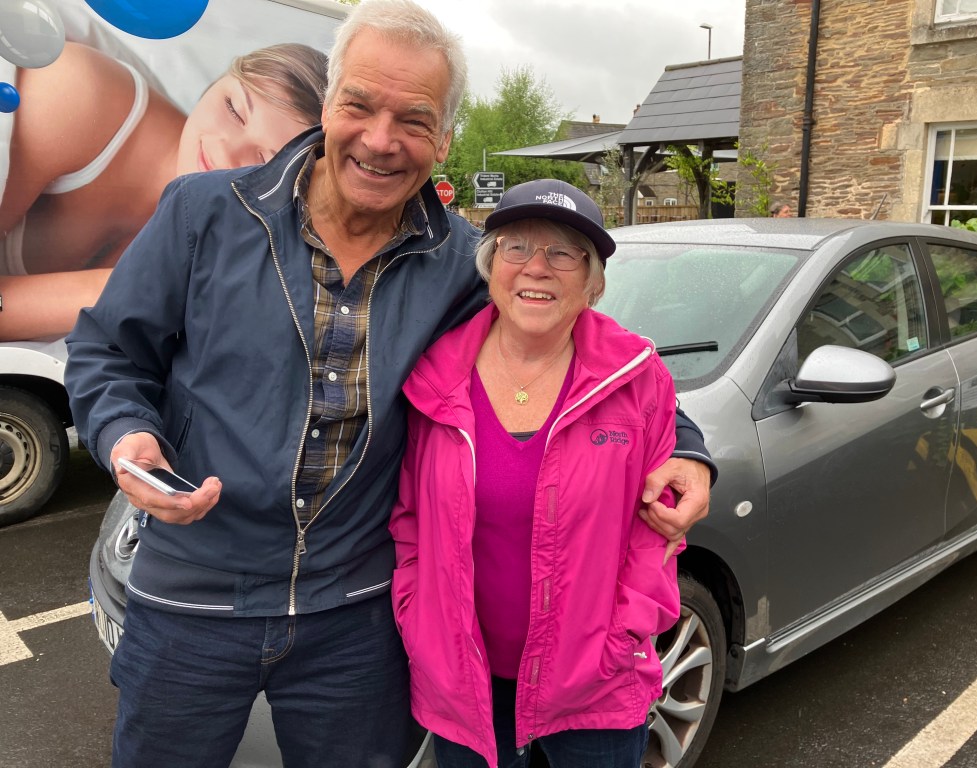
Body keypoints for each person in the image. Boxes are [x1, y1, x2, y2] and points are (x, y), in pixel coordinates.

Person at [64, 2, 714, 766]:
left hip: (352, 617)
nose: (380, 139)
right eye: (360, 105)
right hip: (194, 595)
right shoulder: (205, 213)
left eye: (413, 119)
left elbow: (582, 353)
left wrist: (685, 445)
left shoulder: (462, 264)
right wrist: (125, 435)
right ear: (328, 104)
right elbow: (107, 350)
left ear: (444, 140)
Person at [390, 179, 683, 768]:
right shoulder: (434, 377)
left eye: (563, 253)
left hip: (596, 684)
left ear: (593, 282)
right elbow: (410, 519)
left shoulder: (637, 379)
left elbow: (658, 529)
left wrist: (625, 634)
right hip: (463, 683)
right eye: (516, 247)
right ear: (490, 266)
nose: (537, 267)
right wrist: (417, 618)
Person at [0, 40, 327, 340]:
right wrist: (131, 286)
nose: (225, 149)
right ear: (218, 83)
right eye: (233, 109)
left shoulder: (231, 261)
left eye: (264, 162)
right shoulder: (77, 95)